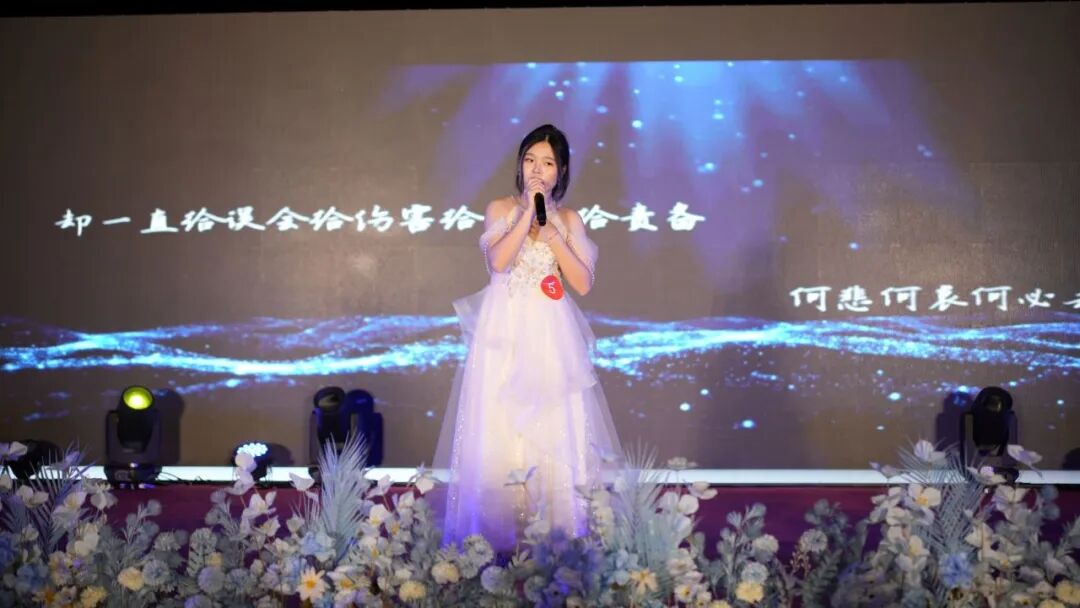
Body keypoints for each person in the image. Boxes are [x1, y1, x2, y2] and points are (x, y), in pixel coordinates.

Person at [433, 124, 623, 552]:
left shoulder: (569, 219)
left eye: (548, 163)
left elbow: (582, 282)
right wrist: (527, 216)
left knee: (555, 426)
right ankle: (495, 542)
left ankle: (560, 539)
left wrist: (552, 232)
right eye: (530, 160)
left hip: (551, 336)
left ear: (561, 171)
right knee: (500, 429)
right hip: (504, 335)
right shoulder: (500, 209)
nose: (537, 169)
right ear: (520, 165)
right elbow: (499, 262)